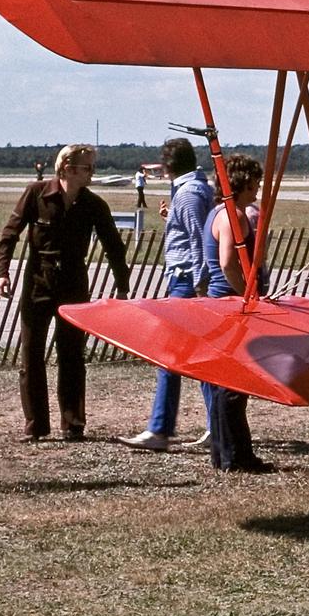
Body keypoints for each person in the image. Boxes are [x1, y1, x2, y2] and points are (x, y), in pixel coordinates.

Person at [0, 143, 131, 441]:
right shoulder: (36, 193)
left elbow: (114, 247)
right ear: (67, 168)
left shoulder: (94, 204)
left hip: (74, 282)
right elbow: (9, 235)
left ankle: (73, 424)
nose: (92, 173)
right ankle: (36, 426)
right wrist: (1, 274)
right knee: (32, 354)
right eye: (87, 167)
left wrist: (122, 286)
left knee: (71, 355)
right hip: (38, 279)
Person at [119, 138, 215, 451]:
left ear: (168, 165)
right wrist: (171, 218)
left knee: (171, 355)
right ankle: (214, 424)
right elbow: (191, 229)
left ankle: (161, 429)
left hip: (187, 280)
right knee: (196, 358)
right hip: (187, 279)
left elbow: (201, 240)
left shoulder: (188, 194)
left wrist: (201, 284)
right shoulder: (194, 190)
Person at [200, 156, 271, 473]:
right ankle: (235, 456)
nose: (257, 187)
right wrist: (247, 294)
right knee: (233, 385)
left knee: (221, 383)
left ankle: (224, 453)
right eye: (255, 181)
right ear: (244, 183)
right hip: (231, 300)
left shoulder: (216, 212)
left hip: (218, 300)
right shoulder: (235, 216)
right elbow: (228, 262)